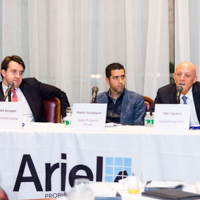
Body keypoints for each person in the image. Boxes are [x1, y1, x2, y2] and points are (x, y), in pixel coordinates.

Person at [0, 55, 70, 122]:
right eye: (14, 71)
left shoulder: (32, 85)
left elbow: (60, 93)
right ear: (3, 73)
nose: (18, 76)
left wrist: (66, 119)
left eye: (21, 73)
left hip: (34, 132)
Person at [149, 61, 200, 125]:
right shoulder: (164, 92)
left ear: (194, 79)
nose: (182, 78)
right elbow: (151, 116)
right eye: (179, 74)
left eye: (187, 75)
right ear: (174, 76)